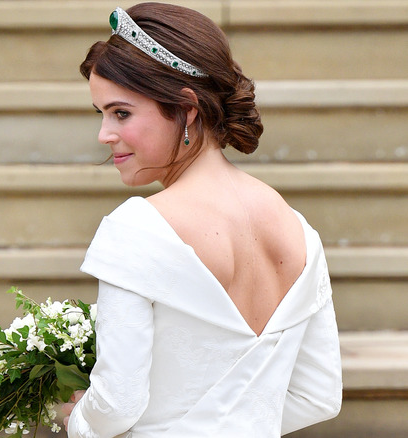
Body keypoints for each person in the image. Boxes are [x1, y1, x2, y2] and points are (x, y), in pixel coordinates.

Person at [60, 3, 342, 437]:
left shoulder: (137, 227)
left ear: (187, 109)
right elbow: (319, 395)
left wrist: (76, 420)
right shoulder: (299, 230)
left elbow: (117, 404)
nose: (104, 135)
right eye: (100, 114)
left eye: (121, 113)